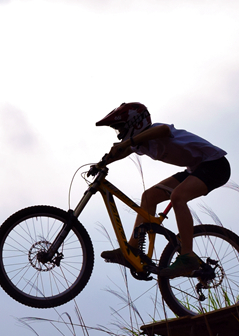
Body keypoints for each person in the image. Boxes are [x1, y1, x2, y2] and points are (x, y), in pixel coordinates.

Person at [93, 102, 231, 278]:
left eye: (120, 129)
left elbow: (164, 130)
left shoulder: (156, 130)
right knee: (149, 197)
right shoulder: (139, 143)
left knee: (178, 197)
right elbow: (123, 150)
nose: (119, 134)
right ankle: (132, 249)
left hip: (215, 165)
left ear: (134, 123)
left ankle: (187, 256)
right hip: (195, 169)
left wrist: (128, 141)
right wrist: (102, 163)